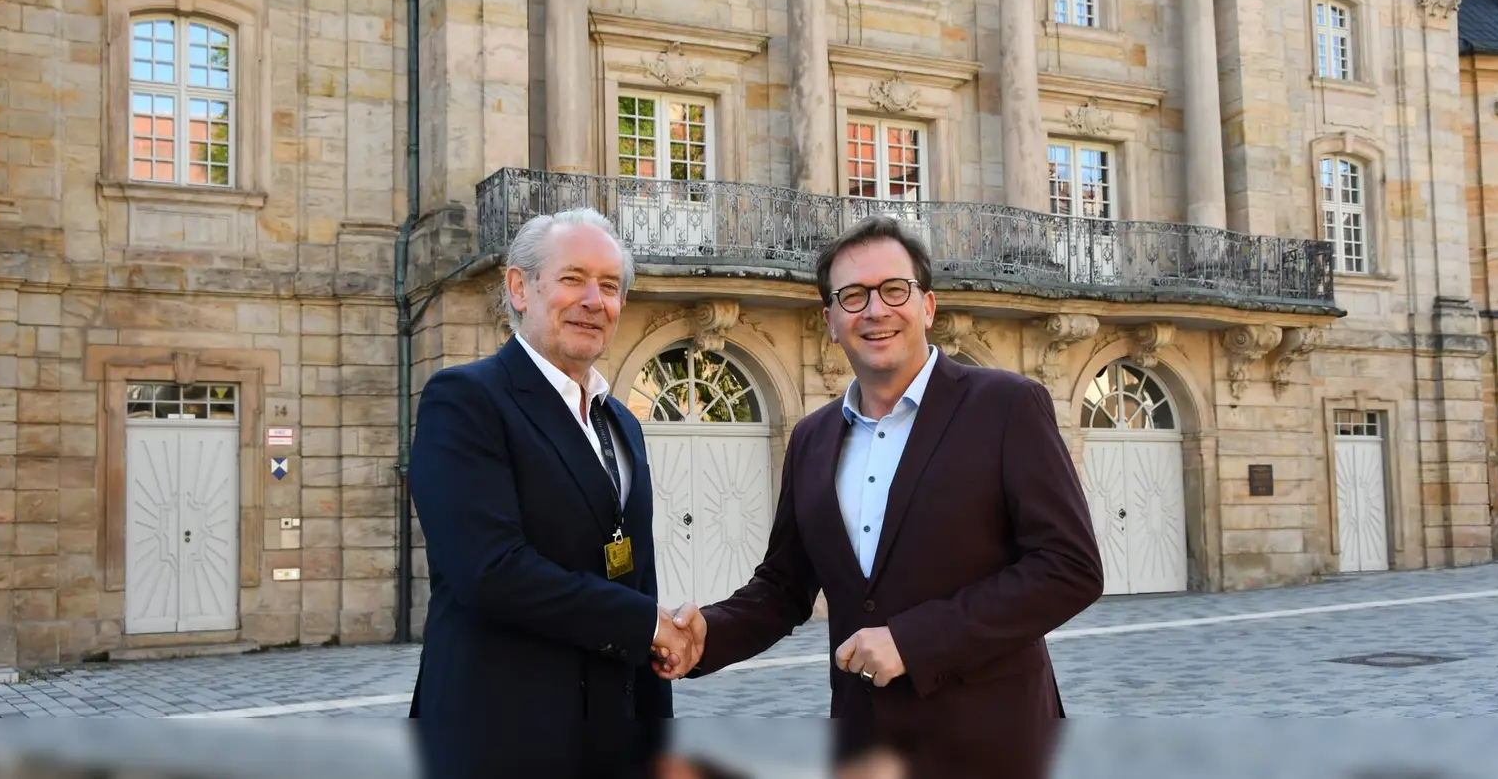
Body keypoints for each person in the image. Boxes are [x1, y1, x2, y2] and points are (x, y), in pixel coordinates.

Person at [661, 215, 1102, 778]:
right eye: (852, 296)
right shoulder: (811, 438)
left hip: (993, 737)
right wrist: (707, 635)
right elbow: (785, 587)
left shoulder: (1007, 405)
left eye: (894, 290)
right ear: (830, 321)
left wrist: (914, 643)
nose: (874, 310)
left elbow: (1070, 568)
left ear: (928, 306)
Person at [406, 208, 698, 779]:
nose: (595, 300)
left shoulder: (622, 422)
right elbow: (490, 570)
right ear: (520, 287)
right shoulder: (467, 400)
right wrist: (645, 622)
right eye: (573, 279)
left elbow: (634, 573)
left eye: (610, 286)